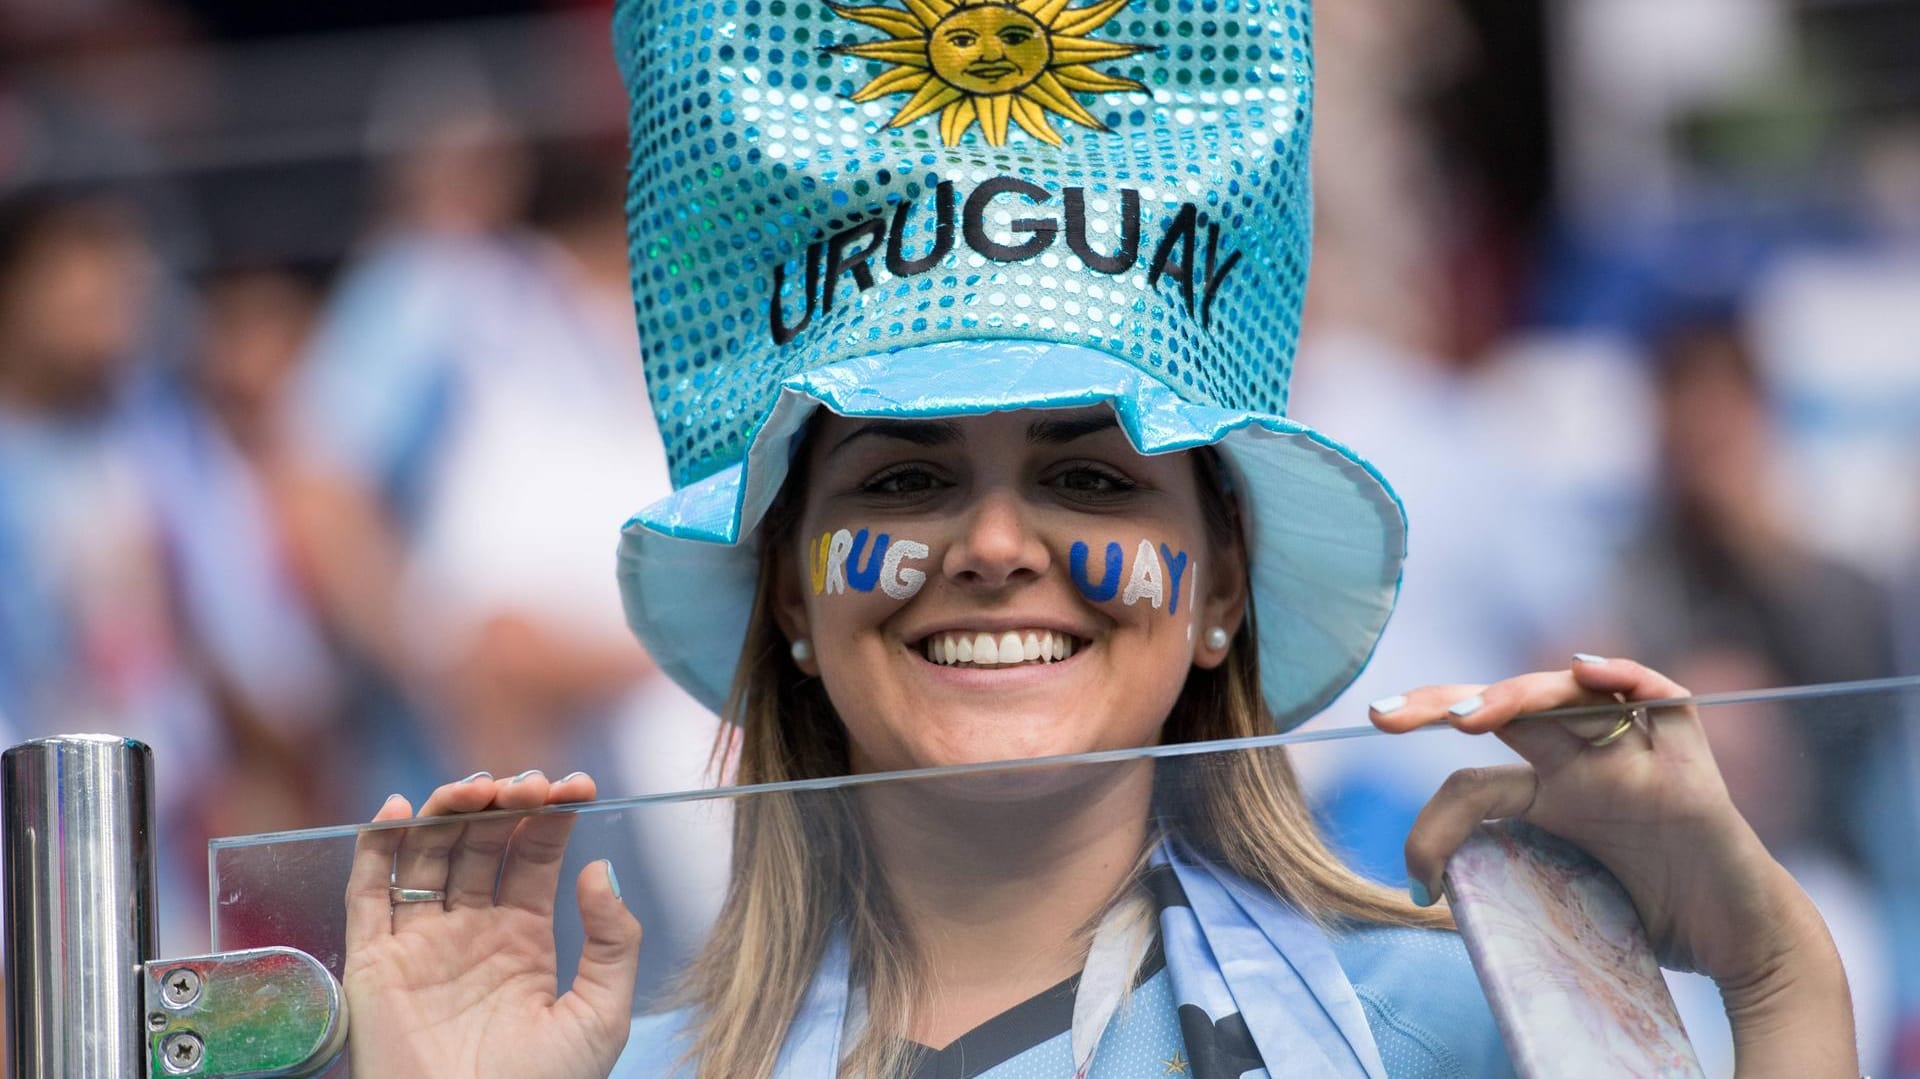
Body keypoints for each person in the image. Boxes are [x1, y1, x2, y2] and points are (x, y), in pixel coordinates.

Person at [335, 0, 1860, 1075]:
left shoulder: (1478, 1036)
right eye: (902, 484)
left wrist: (1774, 974)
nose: (997, 542)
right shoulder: (585, 1073)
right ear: (791, 597)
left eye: (1093, 480)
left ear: (1219, 588)